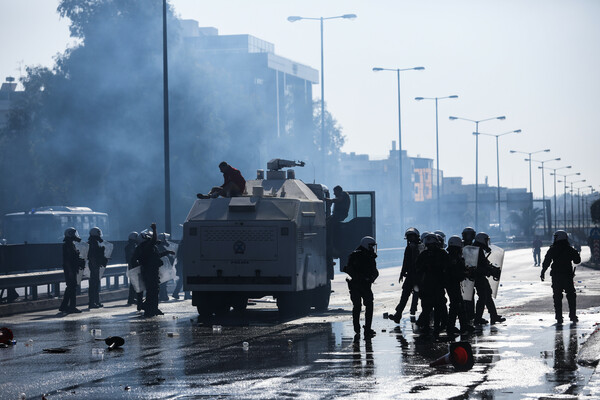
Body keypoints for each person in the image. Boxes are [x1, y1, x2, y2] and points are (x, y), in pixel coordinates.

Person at [132, 223, 175, 317]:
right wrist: (155, 229)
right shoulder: (146, 246)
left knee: (154, 290)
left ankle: (153, 308)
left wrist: (167, 252)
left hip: (152, 272)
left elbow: (156, 255)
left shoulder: (147, 247)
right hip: (150, 272)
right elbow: (154, 240)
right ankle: (148, 308)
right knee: (152, 291)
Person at [541, 230, 581, 324]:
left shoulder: (552, 249)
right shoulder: (569, 249)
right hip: (567, 275)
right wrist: (576, 252)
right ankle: (572, 315)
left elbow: (546, 261)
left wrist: (543, 272)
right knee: (571, 295)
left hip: (556, 276)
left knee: (557, 297)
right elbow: (577, 261)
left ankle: (559, 317)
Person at [415, 233, 450, 335]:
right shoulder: (440, 254)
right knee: (430, 308)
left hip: (432, 286)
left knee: (433, 307)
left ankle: (432, 327)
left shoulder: (426, 255)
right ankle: (433, 327)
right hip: (431, 286)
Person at [344, 236, 379, 340]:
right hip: (357, 284)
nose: (372, 248)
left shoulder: (368, 255)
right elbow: (350, 270)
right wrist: (362, 278)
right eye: (371, 246)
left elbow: (374, 270)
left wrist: (372, 277)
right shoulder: (356, 255)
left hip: (364, 285)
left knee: (364, 305)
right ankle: (360, 328)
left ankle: (364, 328)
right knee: (359, 306)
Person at [388, 227, 421, 323]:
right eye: (409, 237)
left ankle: (423, 316)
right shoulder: (409, 248)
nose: (410, 239)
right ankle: (398, 314)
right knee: (404, 295)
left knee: (421, 296)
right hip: (411, 276)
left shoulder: (421, 247)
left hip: (419, 276)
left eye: (412, 237)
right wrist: (402, 273)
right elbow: (406, 262)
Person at [472, 232, 505, 325]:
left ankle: (493, 316)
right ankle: (478, 318)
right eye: (486, 240)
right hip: (478, 277)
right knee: (483, 297)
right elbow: (479, 266)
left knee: (487, 295)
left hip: (480, 276)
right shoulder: (477, 250)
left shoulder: (478, 249)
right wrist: (489, 271)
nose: (487, 242)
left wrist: (491, 268)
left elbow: (484, 263)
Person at [445, 235, 472, 334]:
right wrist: (465, 273)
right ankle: (451, 326)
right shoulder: (453, 258)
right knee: (455, 305)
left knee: (459, 305)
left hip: (452, 283)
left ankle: (463, 325)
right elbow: (455, 272)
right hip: (452, 284)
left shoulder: (453, 256)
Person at [59, 227, 84, 313]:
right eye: (73, 234)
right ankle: (72, 307)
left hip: (72, 268)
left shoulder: (71, 244)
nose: (75, 236)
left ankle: (64, 306)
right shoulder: (68, 245)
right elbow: (67, 260)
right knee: (72, 288)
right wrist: (70, 271)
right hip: (70, 269)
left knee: (70, 287)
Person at [87, 227, 108, 309]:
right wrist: (95, 265)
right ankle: (92, 302)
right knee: (93, 284)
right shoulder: (93, 243)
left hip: (96, 265)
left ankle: (96, 301)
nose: (100, 235)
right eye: (98, 234)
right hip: (94, 266)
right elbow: (92, 256)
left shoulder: (95, 242)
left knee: (96, 284)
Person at [125, 231, 139, 306]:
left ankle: (133, 298)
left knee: (135, 282)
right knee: (134, 282)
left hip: (133, 265)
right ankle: (131, 299)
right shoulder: (131, 246)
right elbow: (132, 256)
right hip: (133, 265)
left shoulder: (131, 246)